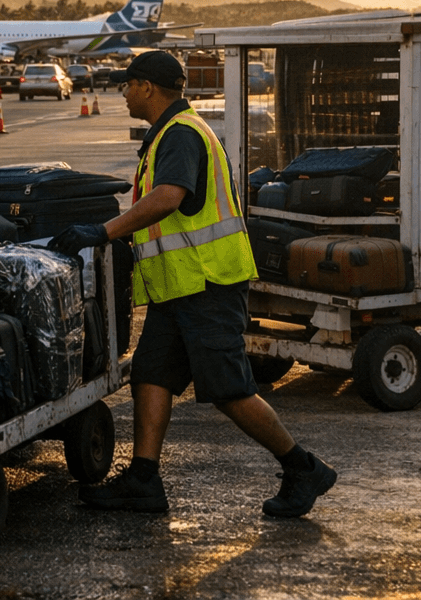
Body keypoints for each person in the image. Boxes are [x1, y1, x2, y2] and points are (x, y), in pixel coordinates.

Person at [48, 50, 336, 519]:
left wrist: (103, 232)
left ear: (147, 87)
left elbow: (168, 198)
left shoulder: (180, 134)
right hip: (177, 288)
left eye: (128, 84)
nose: (122, 93)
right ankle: (144, 479)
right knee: (151, 375)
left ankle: (303, 467)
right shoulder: (170, 132)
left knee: (228, 389)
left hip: (207, 284)